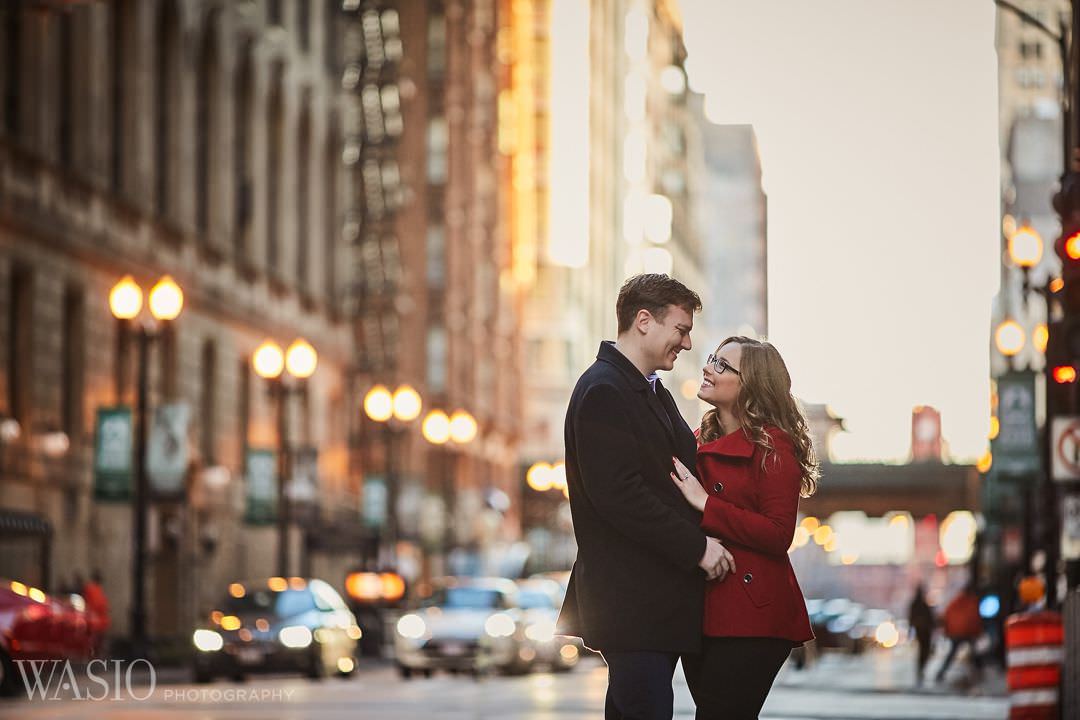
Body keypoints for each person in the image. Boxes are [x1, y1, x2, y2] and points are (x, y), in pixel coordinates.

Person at [557, 274, 735, 720]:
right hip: (632, 602)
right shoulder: (605, 389)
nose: (688, 343)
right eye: (681, 329)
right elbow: (619, 495)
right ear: (643, 321)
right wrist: (698, 549)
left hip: (648, 602)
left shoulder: (648, 388)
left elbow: (687, 465)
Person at [669, 336, 819, 720]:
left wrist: (706, 503)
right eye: (711, 360)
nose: (707, 368)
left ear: (750, 385)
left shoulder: (773, 447)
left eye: (722, 366)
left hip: (754, 617)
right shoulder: (699, 441)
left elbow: (777, 533)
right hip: (703, 610)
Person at [935, 582, 983, 684]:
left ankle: (940, 673)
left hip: (956, 633)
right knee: (973, 653)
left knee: (952, 654)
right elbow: (975, 619)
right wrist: (978, 632)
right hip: (966, 633)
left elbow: (946, 616)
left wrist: (947, 631)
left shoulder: (956, 602)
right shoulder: (972, 602)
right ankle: (979, 672)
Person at [907, 583, 935, 686]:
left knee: (923, 650)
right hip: (924, 630)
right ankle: (921, 668)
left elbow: (911, 618)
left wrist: (910, 630)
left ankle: (921, 668)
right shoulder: (922, 604)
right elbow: (912, 618)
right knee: (924, 650)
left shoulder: (919, 604)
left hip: (922, 630)